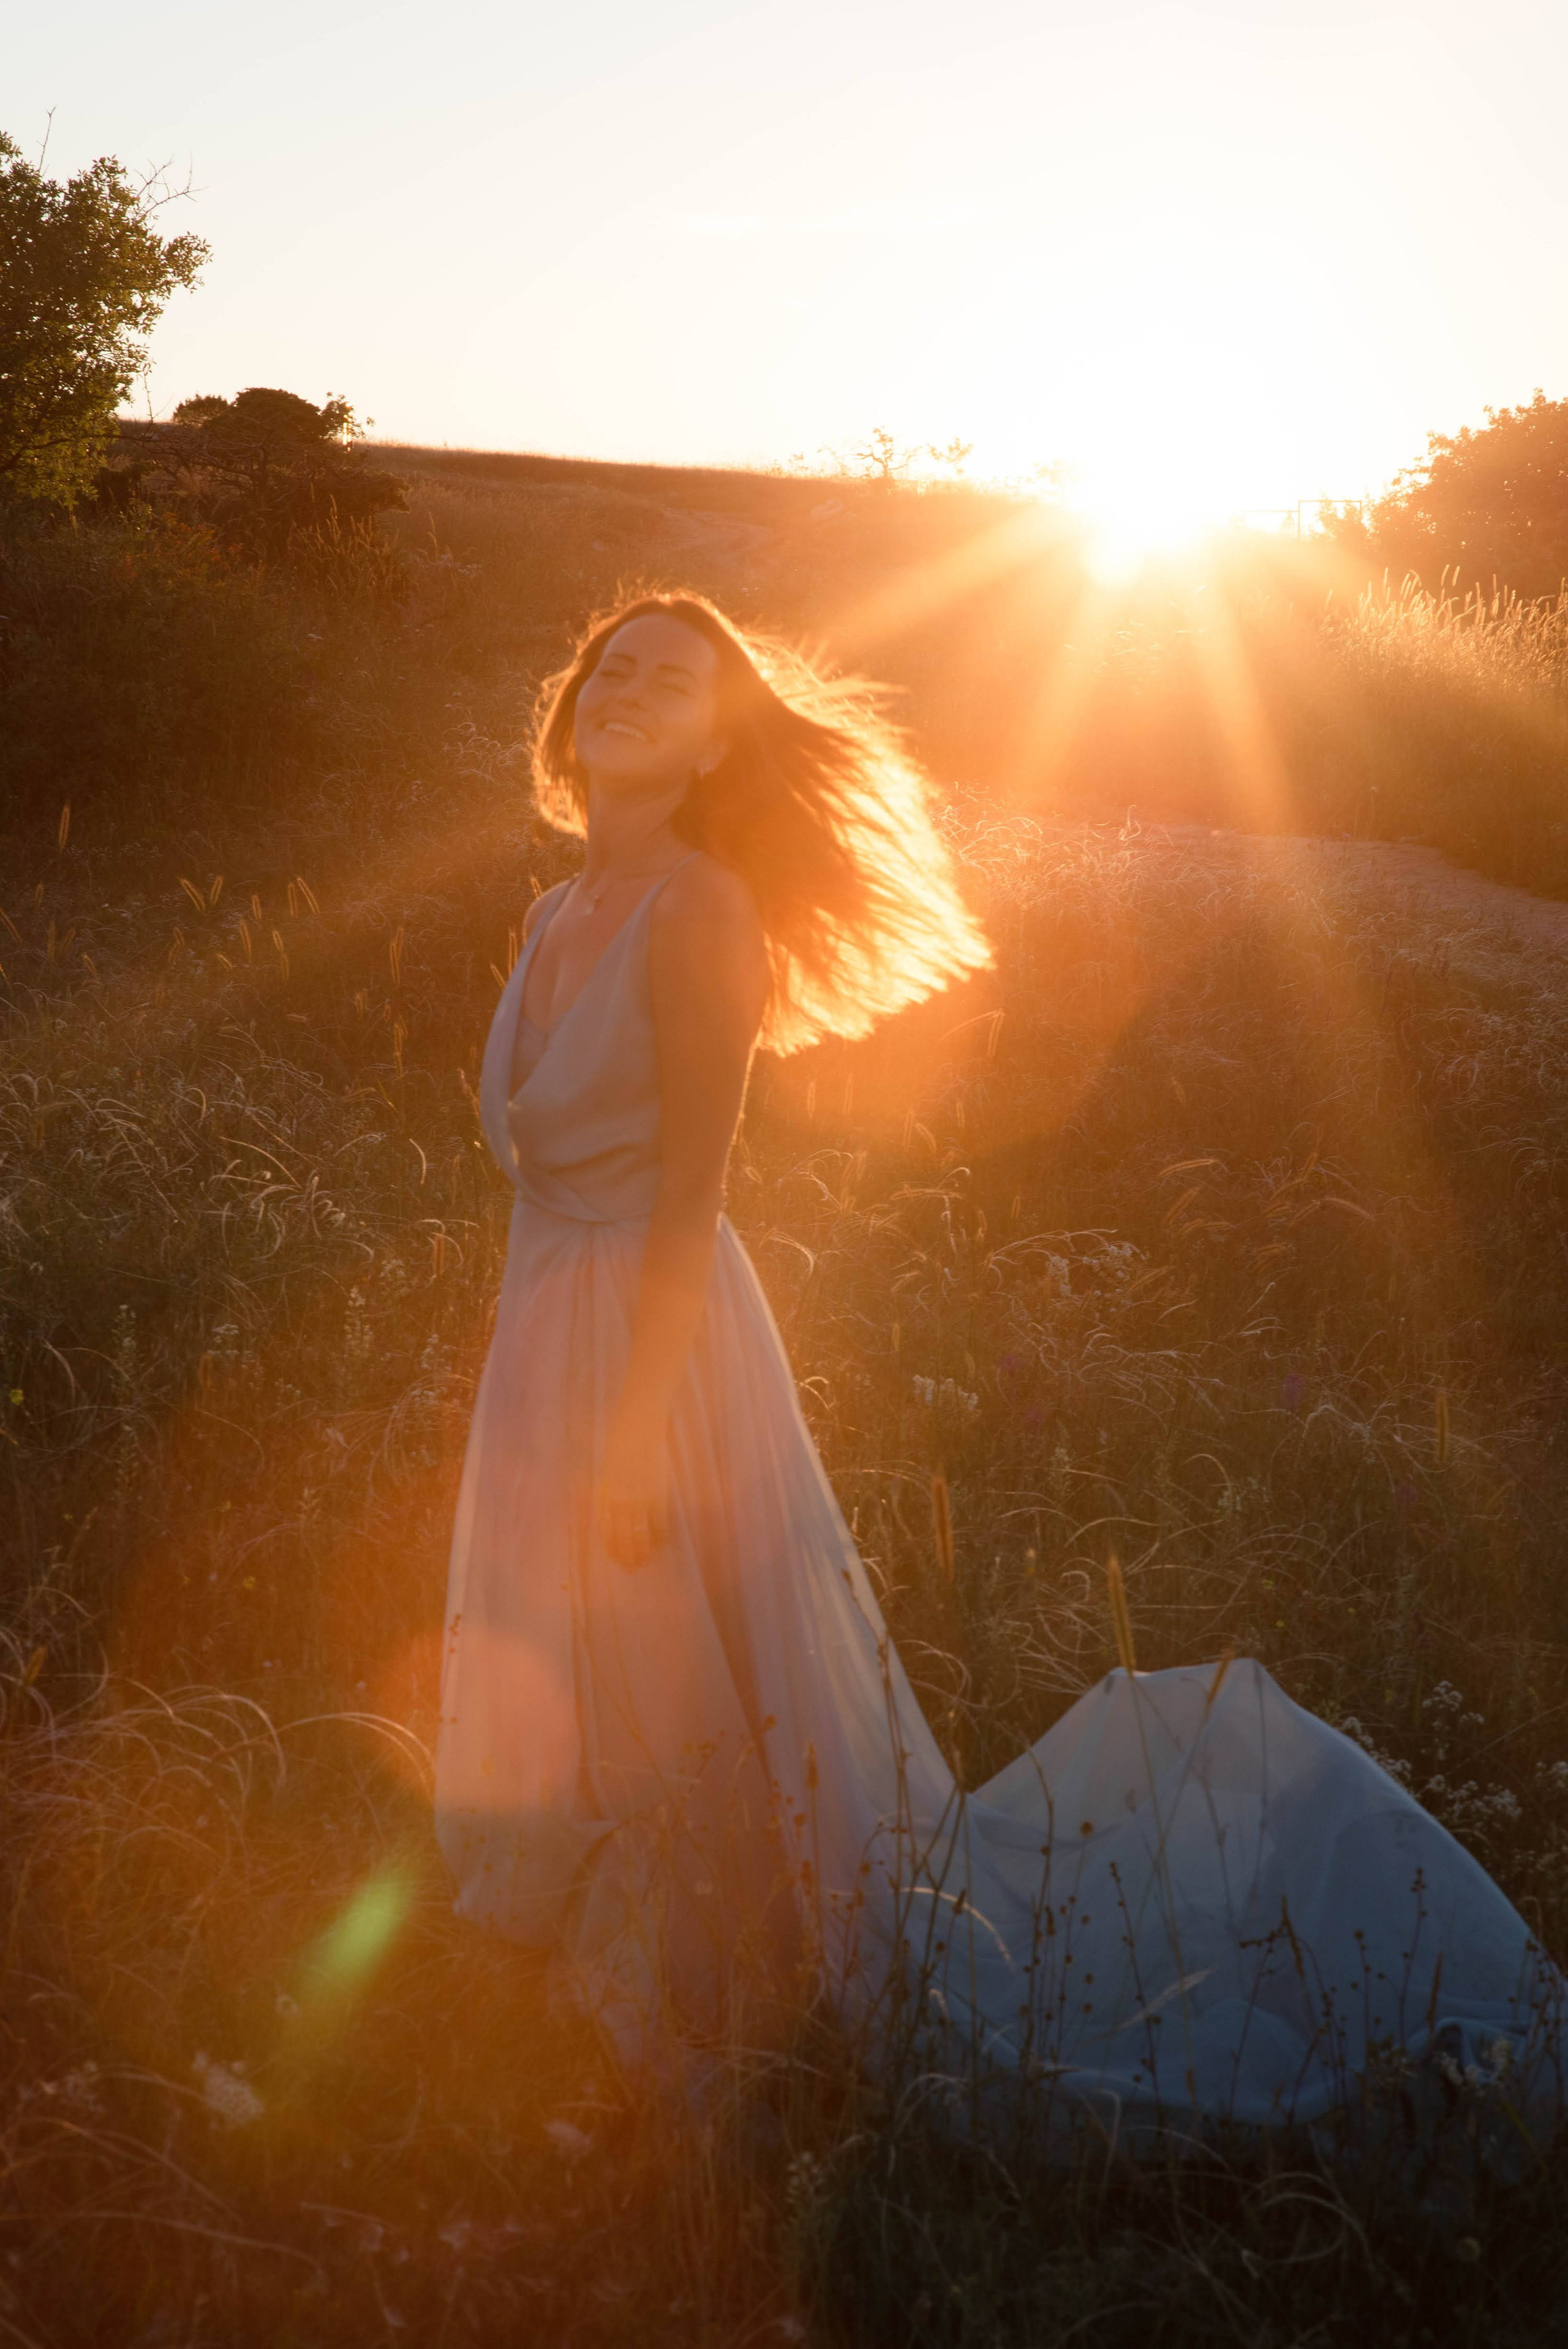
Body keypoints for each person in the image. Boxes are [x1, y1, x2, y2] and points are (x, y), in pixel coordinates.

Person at [435, 592, 1559, 2149]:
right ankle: (611, 1954)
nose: (625, 691)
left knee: (675, 1674)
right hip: (544, 1321)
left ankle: (702, 2024)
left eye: (669, 681)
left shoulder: (697, 914)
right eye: (608, 667)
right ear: (570, 710)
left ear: (712, 745)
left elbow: (689, 1199)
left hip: (656, 1342)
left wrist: (629, 1434)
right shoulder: (555, 912)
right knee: (584, 1658)